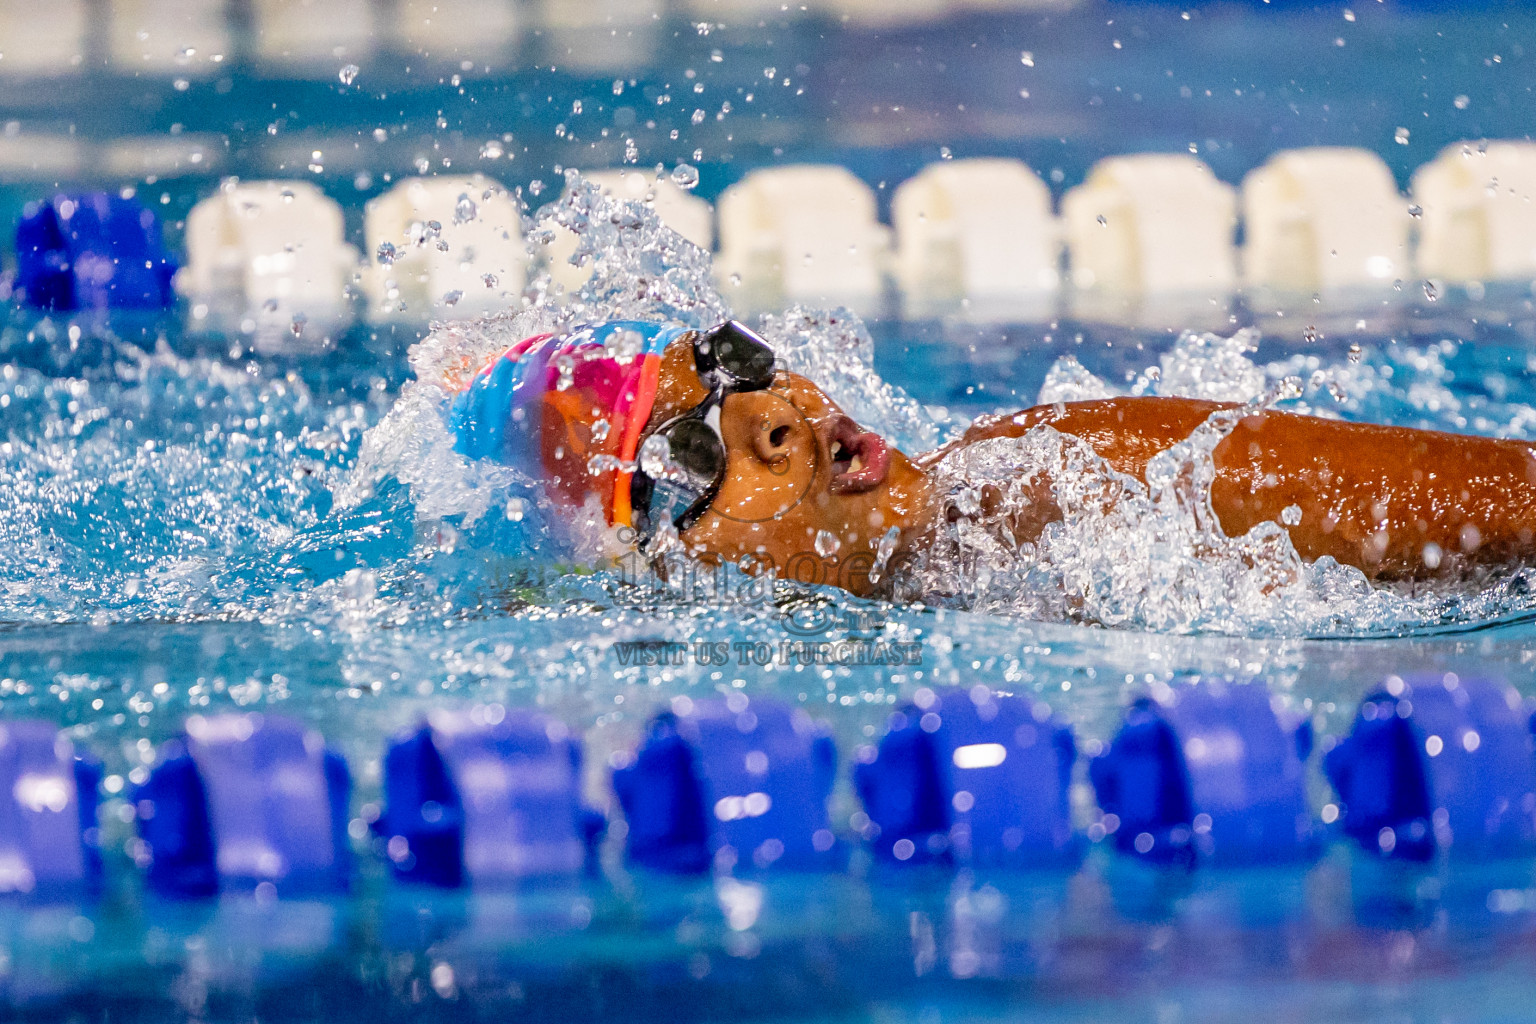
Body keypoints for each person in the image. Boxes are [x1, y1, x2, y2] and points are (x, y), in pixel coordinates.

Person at [451, 319, 1536, 598]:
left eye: (735, 364)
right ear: (655, 566)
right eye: (691, 454)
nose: (774, 415)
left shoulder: (1041, 482)